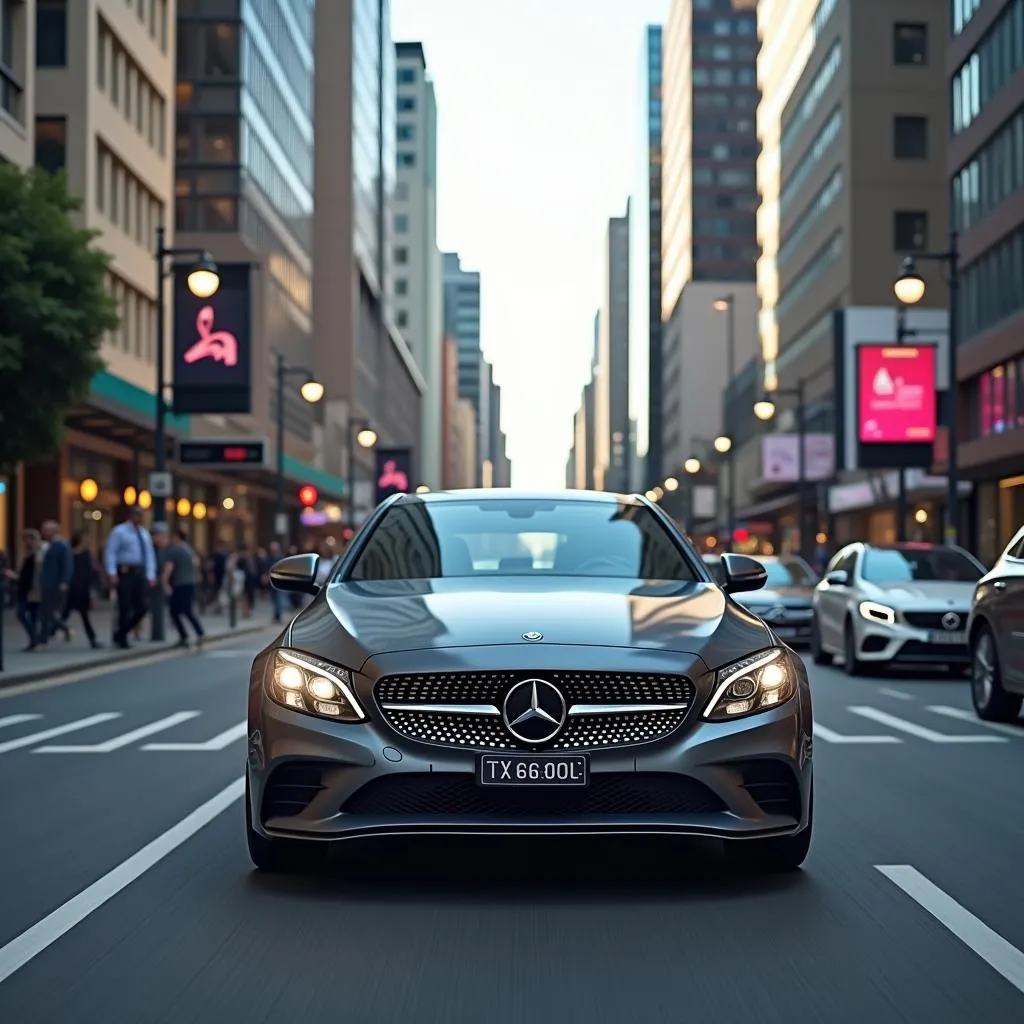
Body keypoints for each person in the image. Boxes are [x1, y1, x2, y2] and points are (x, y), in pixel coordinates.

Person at [104, 506, 157, 648]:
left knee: (142, 607)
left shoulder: (144, 534)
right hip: (125, 571)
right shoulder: (119, 532)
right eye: (137, 515)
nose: (140, 518)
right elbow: (111, 552)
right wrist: (112, 572)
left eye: (141, 516)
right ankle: (122, 639)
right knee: (124, 607)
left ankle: (121, 632)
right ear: (131, 516)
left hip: (139, 573)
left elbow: (149, 555)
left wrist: (150, 574)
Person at [162, 528, 204, 648]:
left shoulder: (174, 551)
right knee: (186, 610)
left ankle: (188, 635)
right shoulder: (189, 550)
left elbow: (168, 568)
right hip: (190, 583)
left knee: (177, 611)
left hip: (180, 584)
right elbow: (196, 564)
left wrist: (165, 583)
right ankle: (193, 634)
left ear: (176, 537)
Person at [61, 532, 102, 648]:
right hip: (76, 589)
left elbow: (92, 572)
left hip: (79, 589)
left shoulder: (82, 554)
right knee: (69, 615)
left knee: (79, 616)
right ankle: (46, 634)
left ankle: (92, 639)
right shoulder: (76, 554)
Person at [38, 520, 72, 644]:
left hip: (56, 584)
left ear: (54, 531)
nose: (43, 532)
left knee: (49, 612)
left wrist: (64, 581)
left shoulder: (62, 545)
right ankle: (45, 636)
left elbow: (67, 565)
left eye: (45, 530)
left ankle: (60, 629)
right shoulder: (46, 545)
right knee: (45, 612)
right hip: (46, 583)